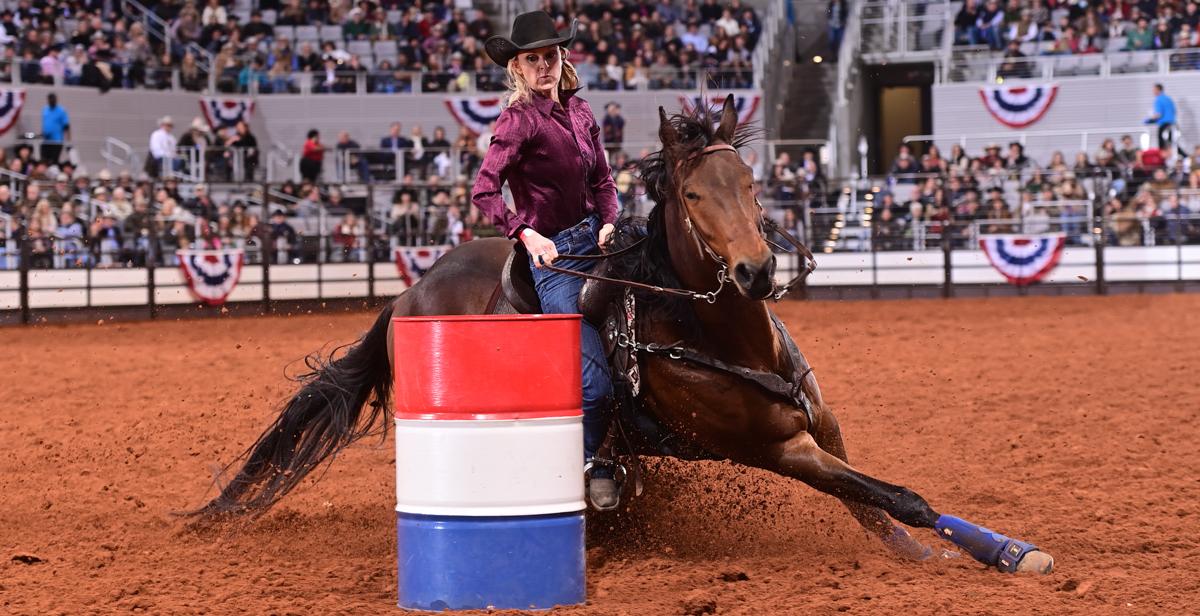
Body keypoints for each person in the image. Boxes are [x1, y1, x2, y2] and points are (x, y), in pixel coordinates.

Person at [473, 10, 619, 509]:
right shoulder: (517, 120)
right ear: (516, 68)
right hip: (554, 259)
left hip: (598, 242)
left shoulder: (581, 113)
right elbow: (485, 191)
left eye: (549, 56)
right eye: (531, 59)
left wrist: (610, 221)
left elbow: (603, 181)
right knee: (594, 383)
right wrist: (526, 233)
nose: (543, 66)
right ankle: (585, 466)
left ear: (562, 58)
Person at [1145, 83, 1178, 152]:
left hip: (1164, 124)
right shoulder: (1168, 99)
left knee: (1161, 141)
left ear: (1158, 90)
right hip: (1172, 124)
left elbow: (1158, 114)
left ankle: (1162, 157)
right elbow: (1174, 111)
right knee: (1171, 143)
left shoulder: (1159, 99)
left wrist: (1148, 120)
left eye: (1154, 90)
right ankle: (1185, 156)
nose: (1153, 91)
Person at [40, 92, 70, 165]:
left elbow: (66, 126)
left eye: (53, 99)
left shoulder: (61, 110)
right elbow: (44, 123)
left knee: (54, 161)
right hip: (46, 140)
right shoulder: (45, 109)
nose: (52, 100)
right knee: (44, 160)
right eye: (50, 99)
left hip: (57, 140)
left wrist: (68, 140)